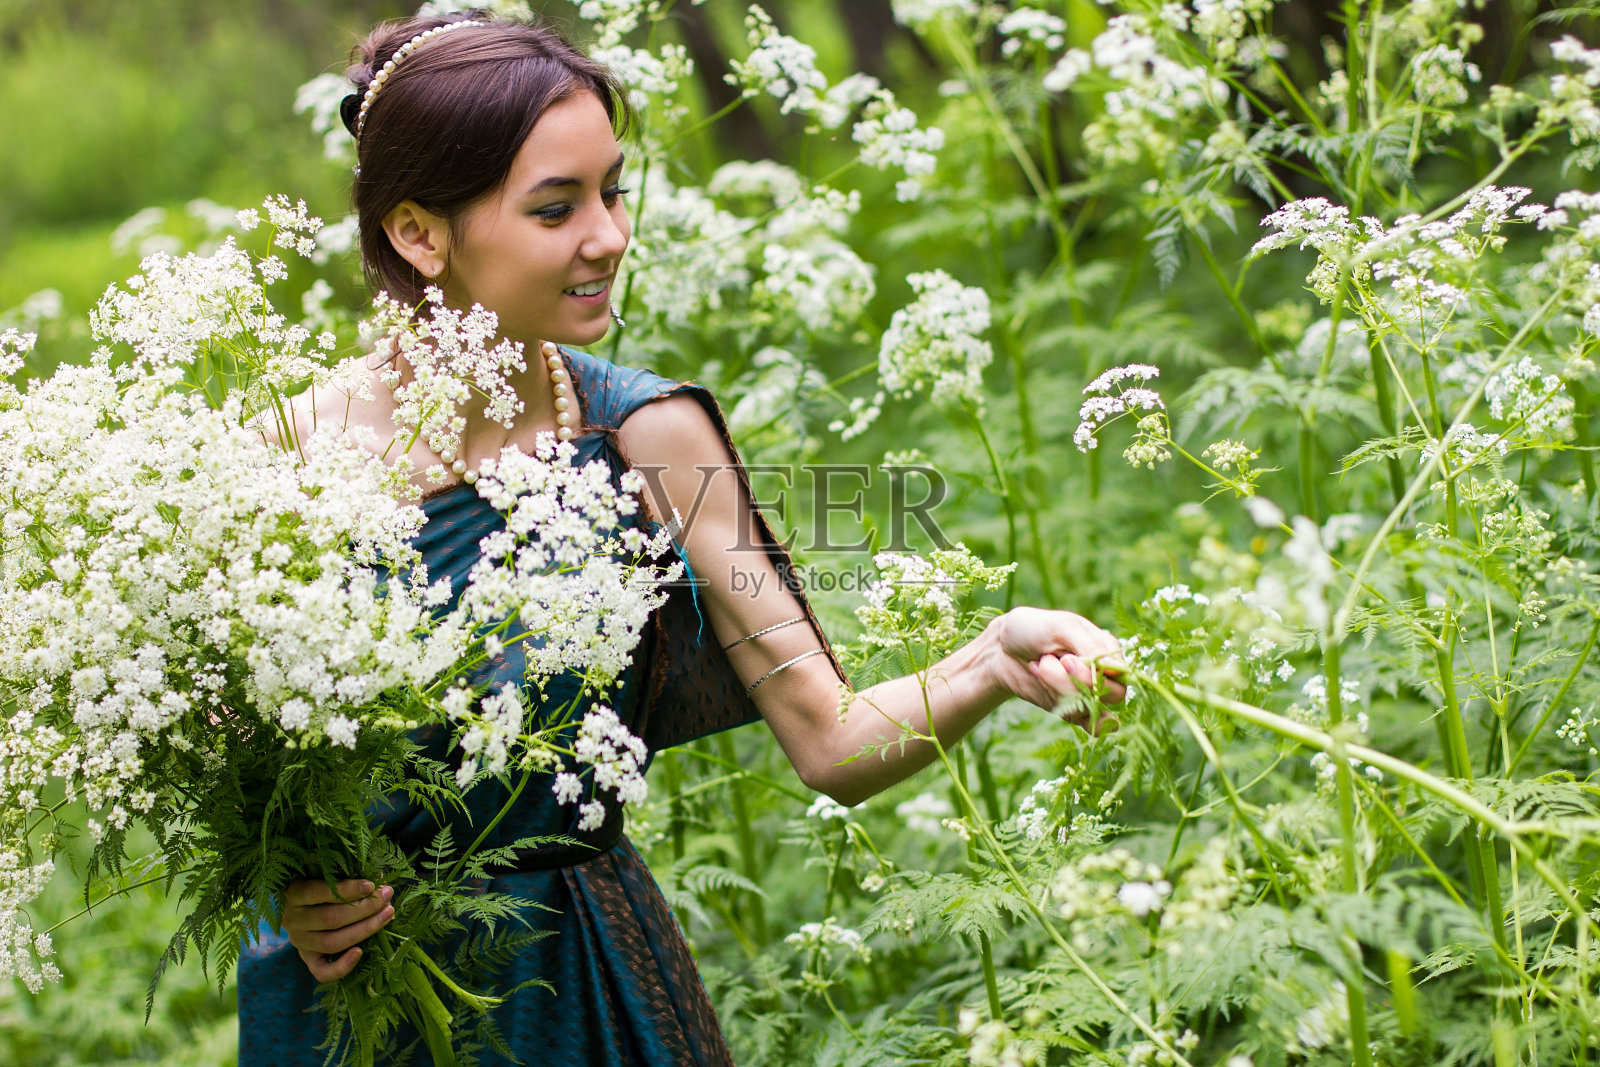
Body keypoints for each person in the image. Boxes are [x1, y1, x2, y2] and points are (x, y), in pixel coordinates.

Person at [236, 12, 1125, 1065]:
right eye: (557, 207)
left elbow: (830, 736)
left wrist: (992, 657)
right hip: (349, 1009)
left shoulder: (652, 436)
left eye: (611, 190)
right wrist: (285, 888)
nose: (609, 234)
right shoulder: (277, 461)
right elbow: (221, 771)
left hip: (572, 989)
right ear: (419, 231)